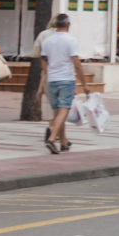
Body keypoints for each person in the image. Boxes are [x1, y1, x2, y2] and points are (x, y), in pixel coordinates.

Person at [37, 13, 92, 155]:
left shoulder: (47, 41)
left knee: (57, 112)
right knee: (64, 109)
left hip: (52, 79)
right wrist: (84, 84)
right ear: (68, 25)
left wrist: (47, 75)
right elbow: (77, 64)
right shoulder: (71, 40)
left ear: (55, 25)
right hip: (66, 79)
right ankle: (52, 138)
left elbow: (44, 61)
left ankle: (63, 143)